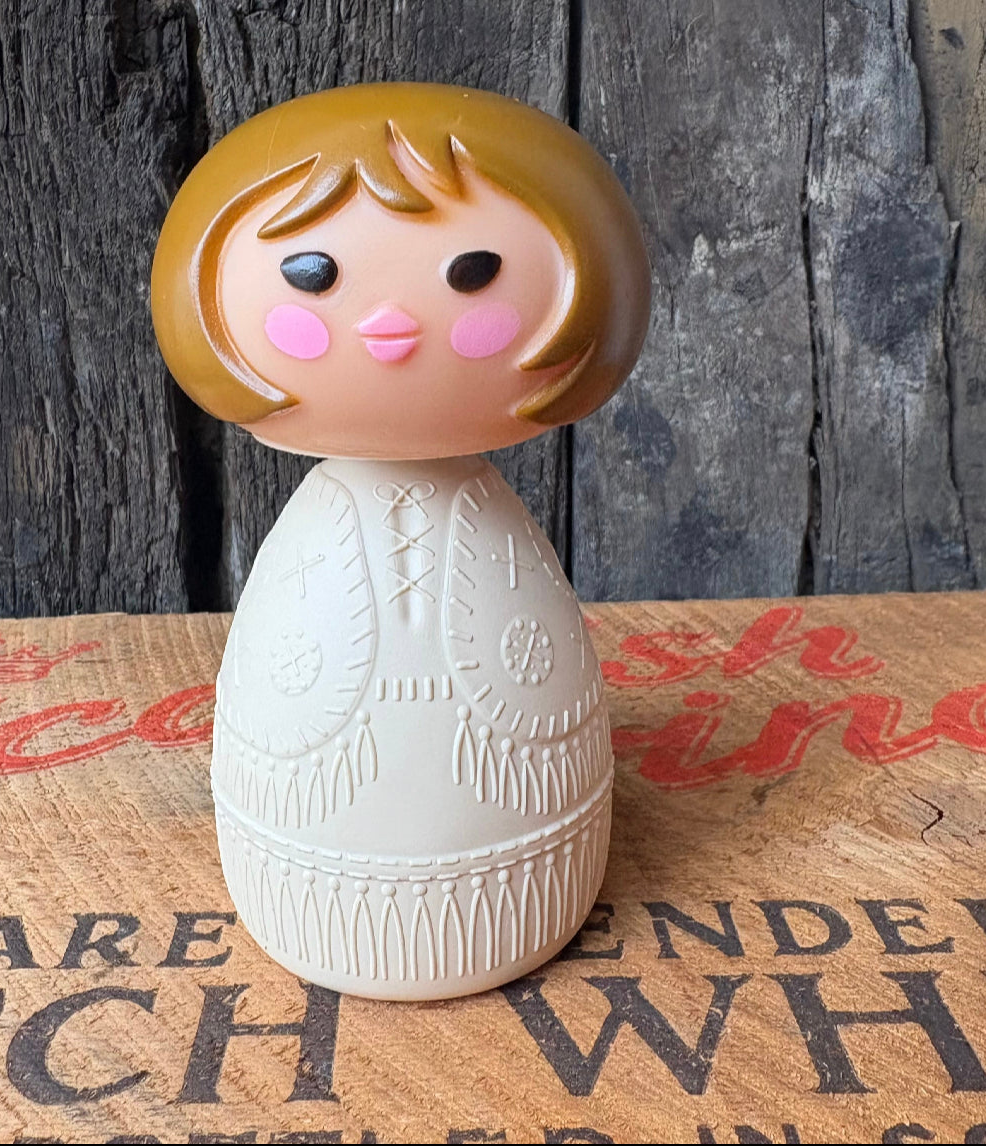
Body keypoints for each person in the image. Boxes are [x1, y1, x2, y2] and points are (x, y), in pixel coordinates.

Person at [152, 82, 650, 998]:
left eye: (473, 272)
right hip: (301, 882)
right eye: (313, 276)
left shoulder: (487, 520)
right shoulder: (323, 525)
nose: (390, 322)